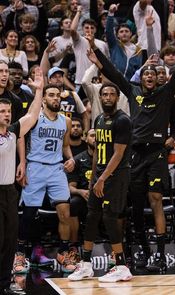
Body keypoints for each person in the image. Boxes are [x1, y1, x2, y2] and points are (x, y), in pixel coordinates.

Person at [85, 14, 175, 271]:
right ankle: (139, 248)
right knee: (137, 203)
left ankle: (161, 252)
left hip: (156, 154)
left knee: (155, 198)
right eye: (146, 74)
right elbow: (114, 73)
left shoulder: (166, 93)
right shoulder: (132, 91)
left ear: (159, 78)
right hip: (133, 154)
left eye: (154, 74)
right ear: (141, 78)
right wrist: (96, 53)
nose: (150, 77)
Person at [68, 82, 133, 282]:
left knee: (110, 217)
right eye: (104, 94)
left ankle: (121, 265)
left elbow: (119, 154)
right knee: (92, 216)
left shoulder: (123, 120)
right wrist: (93, 179)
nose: (107, 97)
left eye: (111, 94)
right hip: (99, 177)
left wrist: (103, 178)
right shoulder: (98, 119)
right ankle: (86, 264)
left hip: (116, 175)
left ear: (117, 97)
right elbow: (97, 152)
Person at [15, 84, 76, 274]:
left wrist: (71, 158)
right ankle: (20, 254)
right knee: (29, 214)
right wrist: (23, 163)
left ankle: (63, 252)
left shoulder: (65, 121)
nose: (56, 98)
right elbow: (20, 137)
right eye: (51, 95)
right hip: (35, 167)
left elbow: (65, 146)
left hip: (56, 169)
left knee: (65, 212)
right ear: (43, 99)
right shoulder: (34, 118)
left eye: (58, 95)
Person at [0, 67, 44, 295]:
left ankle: (5, 284)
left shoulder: (13, 131)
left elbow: (33, 116)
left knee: (9, 242)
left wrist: (39, 91)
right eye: (2, 112)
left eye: (8, 111)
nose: (7, 115)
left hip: (9, 192)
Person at [67, 128, 95, 252]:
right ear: (86, 138)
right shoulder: (78, 159)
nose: (96, 138)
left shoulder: (108, 158)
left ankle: (115, 249)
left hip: (102, 196)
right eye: (92, 135)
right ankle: (73, 246)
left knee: (119, 203)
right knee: (72, 204)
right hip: (84, 197)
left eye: (98, 136)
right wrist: (81, 192)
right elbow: (70, 187)